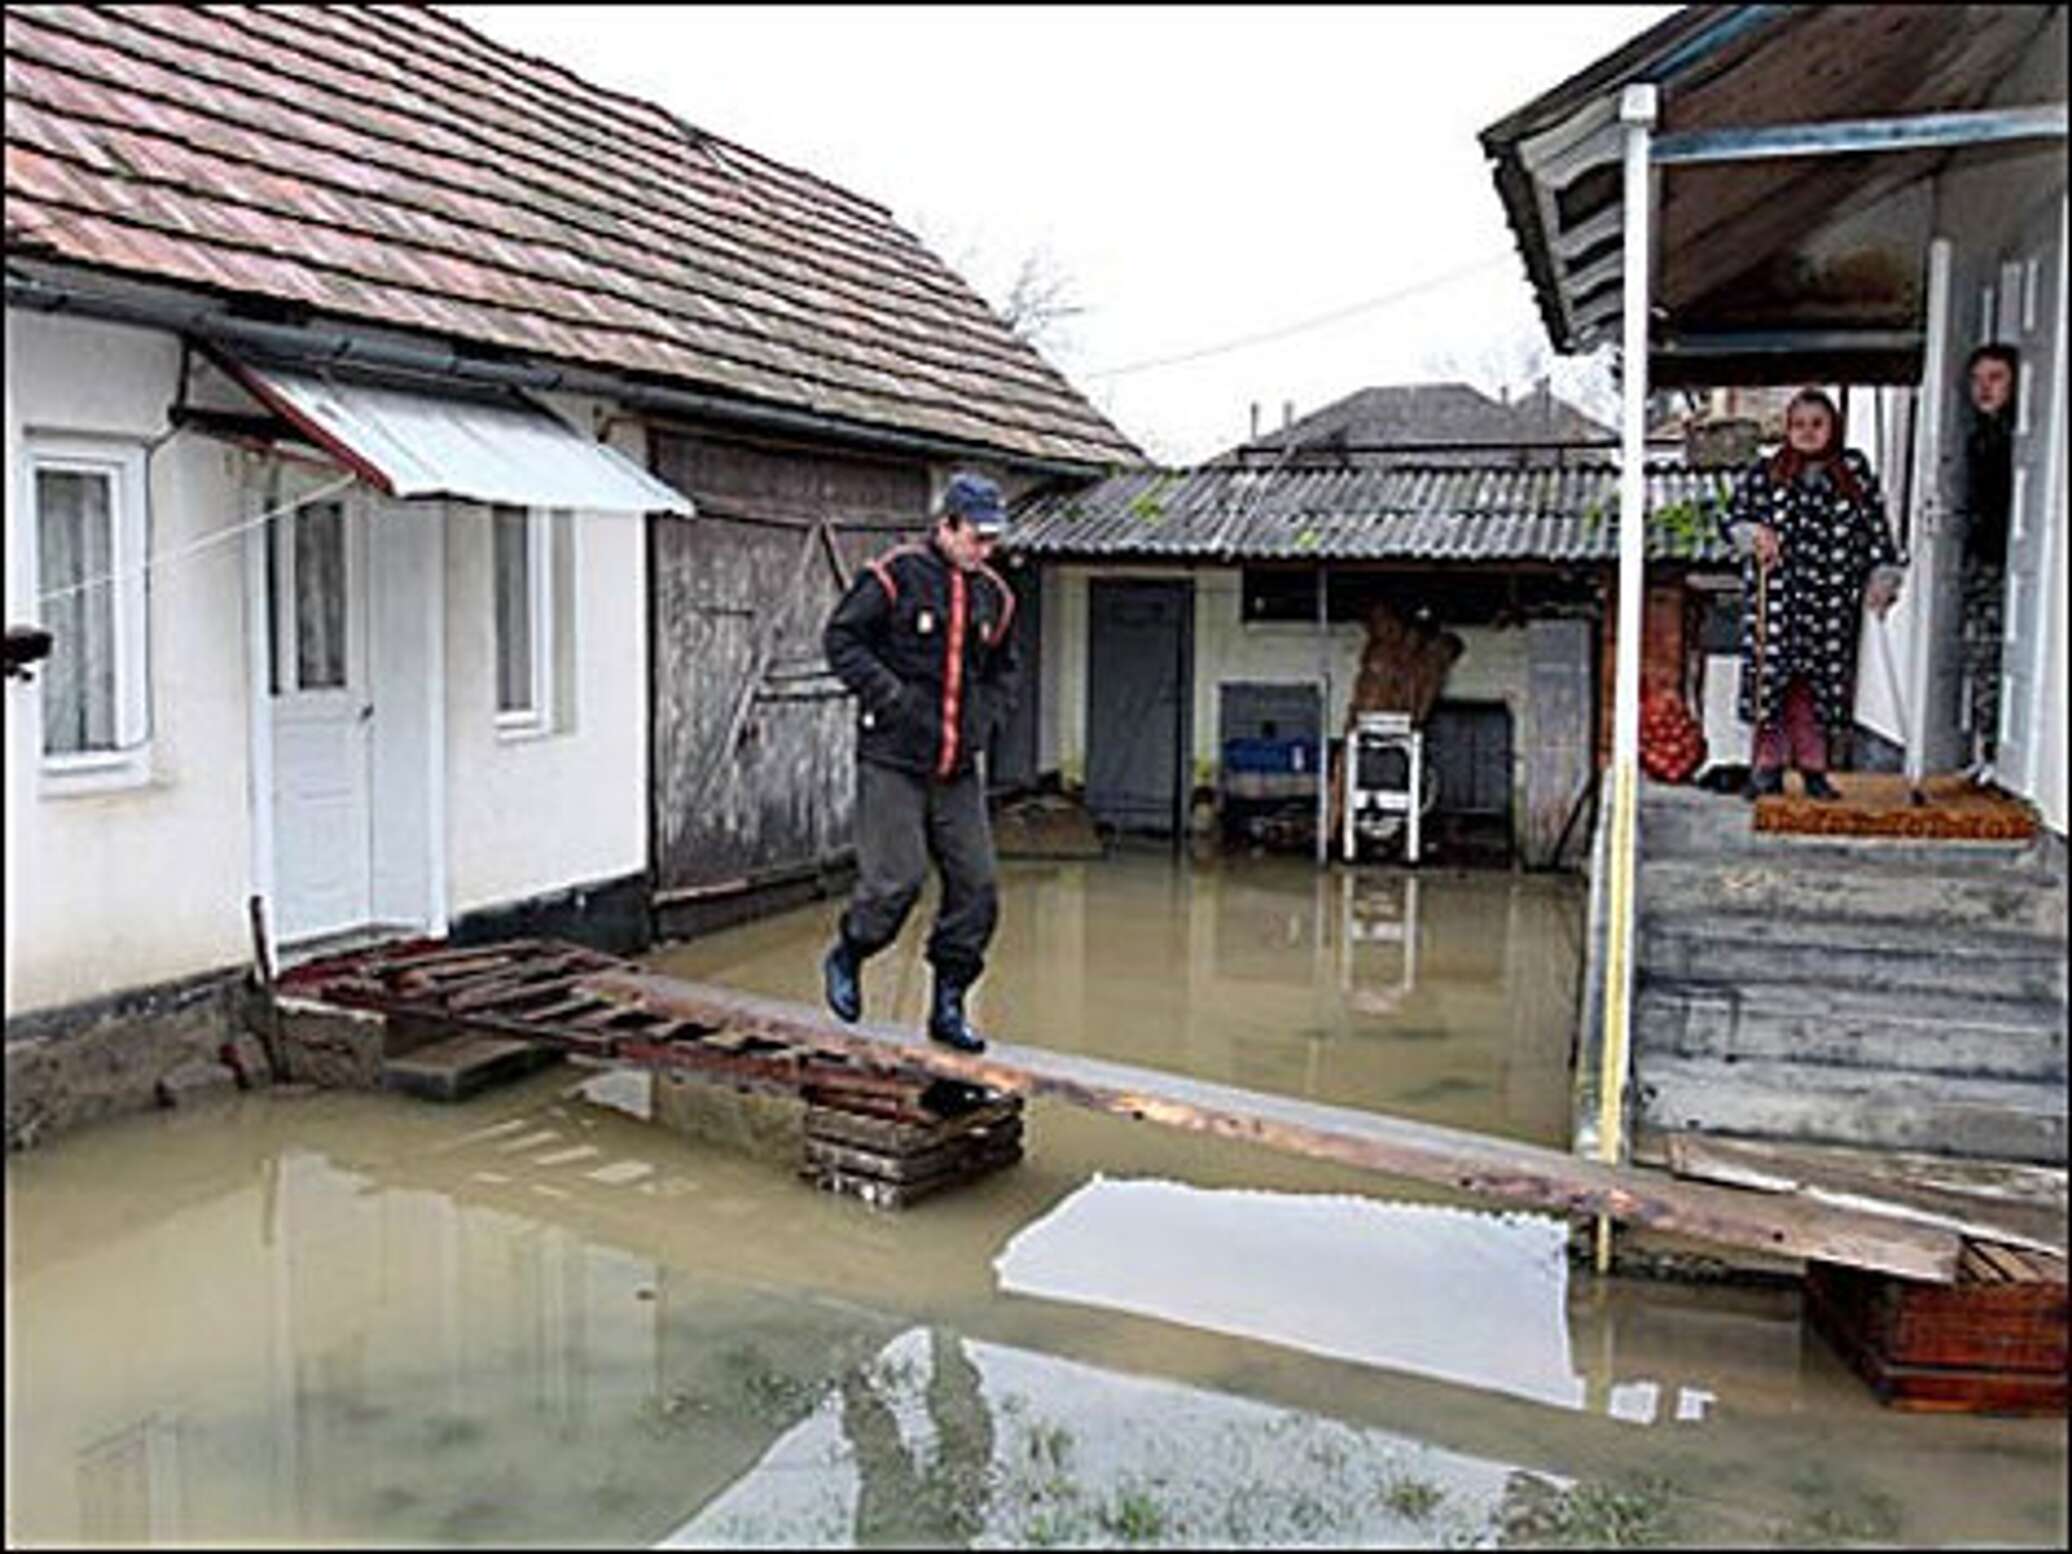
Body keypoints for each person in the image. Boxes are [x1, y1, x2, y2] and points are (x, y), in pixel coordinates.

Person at [820, 472, 1020, 1052]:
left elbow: (1006, 670)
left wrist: (987, 718)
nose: (987, 550)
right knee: (897, 879)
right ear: (947, 526)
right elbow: (841, 641)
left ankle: (949, 1003)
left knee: (978, 886)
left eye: (993, 541)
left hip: (957, 767)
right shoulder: (894, 576)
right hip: (894, 758)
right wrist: (892, 697)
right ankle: (849, 952)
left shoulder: (996, 596)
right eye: (978, 538)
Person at [1719, 388, 1904, 801]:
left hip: (1831, 602)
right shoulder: (1767, 472)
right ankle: (1766, 768)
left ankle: (1814, 769)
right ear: (1787, 429)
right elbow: (1732, 519)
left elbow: (1877, 531)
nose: (1807, 432)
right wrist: (1753, 535)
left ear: (1833, 428)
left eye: (1816, 424)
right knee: (1772, 688)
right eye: (1798, 424)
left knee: (1817, 690)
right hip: (1778, 601)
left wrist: (1882, 576)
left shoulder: (1852, 471)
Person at [1957, 343, 2017, 779]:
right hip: (1980, 559)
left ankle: (1999, 754)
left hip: (2008, 560)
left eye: (1995, 379)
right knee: (1980, 653)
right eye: (1978, 380)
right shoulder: (1978, 436)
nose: (1985, 389)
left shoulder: (2020, 440)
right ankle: (1983, 749)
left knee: (2001, 657)